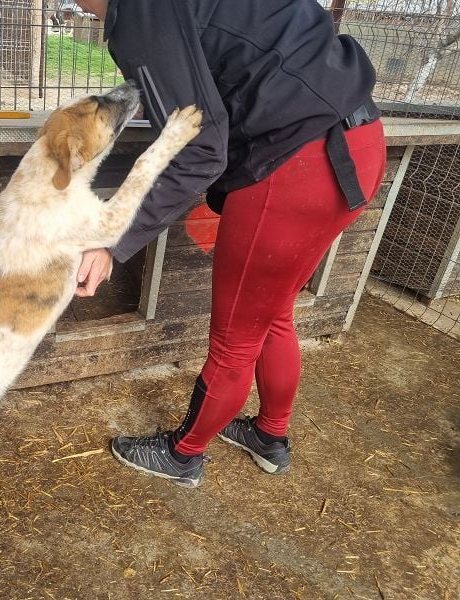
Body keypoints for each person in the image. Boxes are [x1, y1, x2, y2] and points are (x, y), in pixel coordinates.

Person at [73, 0, 386, 486]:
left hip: (298, 165)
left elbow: (199, 148)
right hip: (359, 141)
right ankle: (269, 435)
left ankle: (183, 454)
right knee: (275, 309)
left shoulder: (137, 9)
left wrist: (112, 239)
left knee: (235, 339)